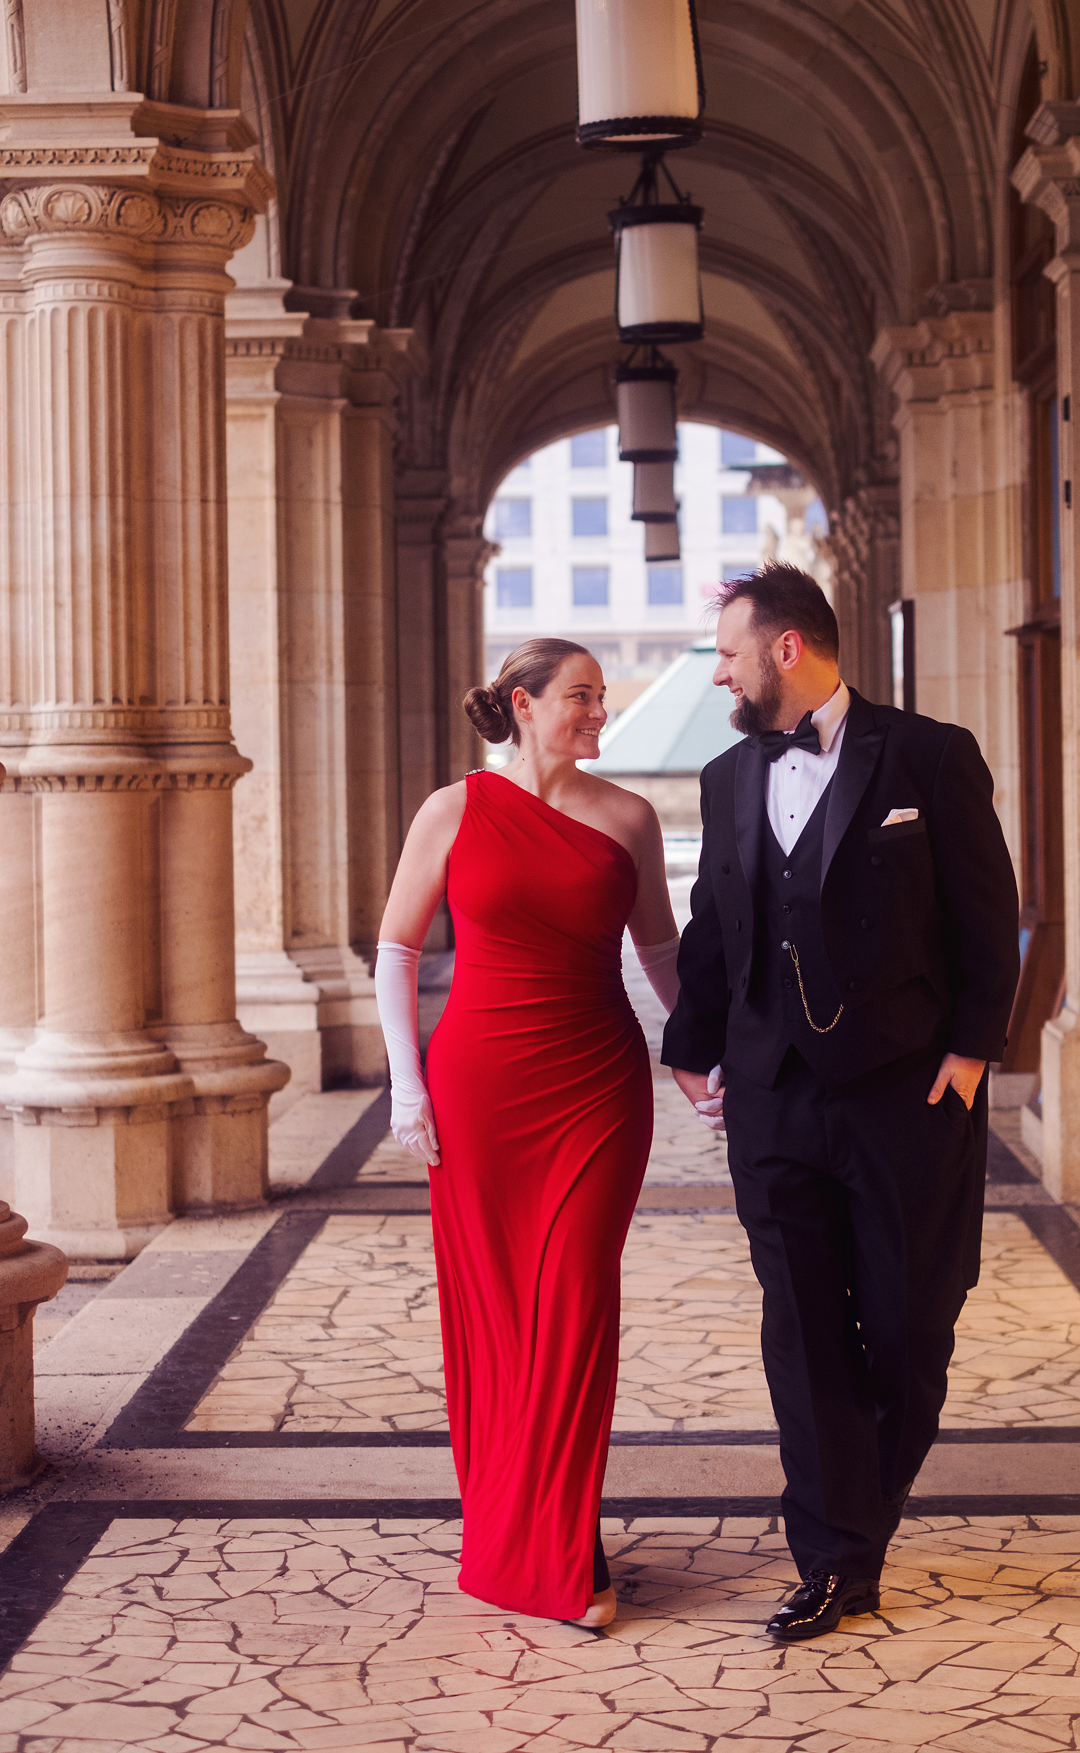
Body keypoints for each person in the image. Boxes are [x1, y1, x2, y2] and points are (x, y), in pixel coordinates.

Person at [662, 563, 1019, 1641]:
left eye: (728, 653)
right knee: (804, 1328)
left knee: (910, 1322)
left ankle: (854, 1518)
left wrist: (971, 1053)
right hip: (772, 1098)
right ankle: (835, 1557)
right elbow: (714, 921)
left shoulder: (929, 754)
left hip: (904, 1091)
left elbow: (986, 913)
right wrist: (691, 1047)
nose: (718, 673)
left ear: (786, 648)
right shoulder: (726, 776)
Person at [374, 638, 705, 1626]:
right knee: (495, 1312)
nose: (600, 712)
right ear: (523, 705)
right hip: (477, 1088)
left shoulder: (630, 817)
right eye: (580, 696)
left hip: (597, 1087)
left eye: (601, 696)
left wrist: (699, 1053)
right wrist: (405, 1082)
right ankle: (522, 1528)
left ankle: (565, 1536)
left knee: (573, 1303)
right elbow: (396, 948)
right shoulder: (452, 809)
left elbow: (661, 950)